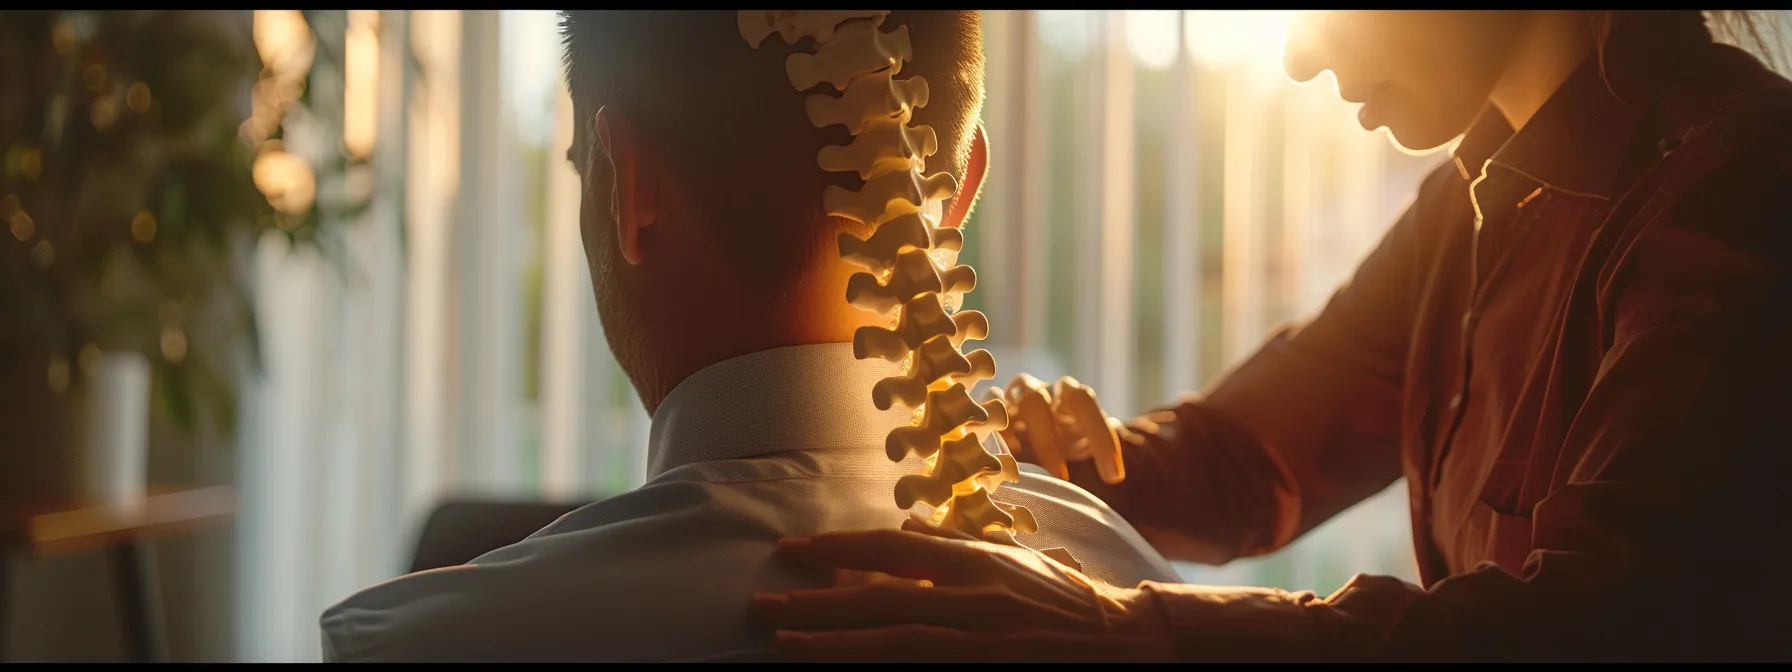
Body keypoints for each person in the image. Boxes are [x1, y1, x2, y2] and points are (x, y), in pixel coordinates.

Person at [749, 9, 1792, 662]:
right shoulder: (1468, 208)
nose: (1295, 52)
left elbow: (1610, 626)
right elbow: (1250, 456)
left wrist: (1122, 636)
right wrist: (1086, 460)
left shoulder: (1738, 189)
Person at [317, 10, 1181, 663]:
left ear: (628, 184)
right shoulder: (1141, 600)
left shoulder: (412, 643)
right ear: (956, 194)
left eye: (583, 167)